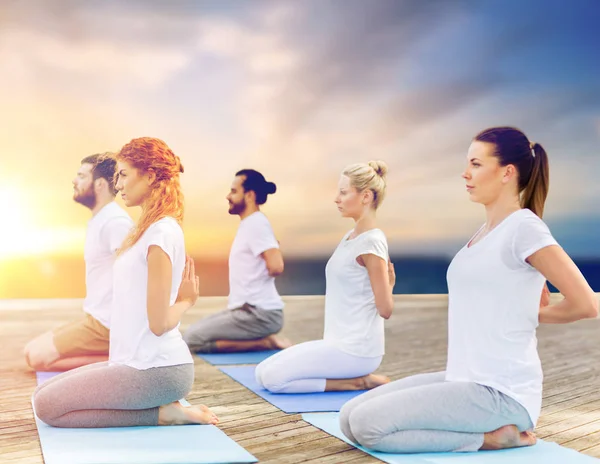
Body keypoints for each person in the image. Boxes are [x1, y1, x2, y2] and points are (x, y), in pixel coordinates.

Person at [339, 127, 599, 453]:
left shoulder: (525, 227)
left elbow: (586, 304)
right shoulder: (484, 231)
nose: (466, 173)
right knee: (349, 416)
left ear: (507, 172)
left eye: (476, 164)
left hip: (502, 392)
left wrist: (530, 314)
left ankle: (491, 439)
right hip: (463, 377)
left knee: (368, 426)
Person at [33, 137, 218, 427]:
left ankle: (163, 414)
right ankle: (160, 408)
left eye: (123, 174)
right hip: (130, 362)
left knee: (46, 407)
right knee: (42, 392)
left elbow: (158, 324)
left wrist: (185, 301)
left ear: (150, 175)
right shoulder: (143, 231)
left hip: (157, 370)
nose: (117, 185)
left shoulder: (161, 233)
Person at [254, 161, 394, 393]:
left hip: (356, 351)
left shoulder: (372, 242)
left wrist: (389, 285)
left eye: (343, 192)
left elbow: (385, 310)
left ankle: (357, 382)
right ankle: (358, 379)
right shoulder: (351, 236)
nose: (336, 198)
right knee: (261, 372)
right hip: (335, 344)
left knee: (273, 380)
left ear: (366, 196)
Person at [24, 153, 132, 371]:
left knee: (36, 357)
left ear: (100, 184)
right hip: (95, 319)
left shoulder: (115, 222)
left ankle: (122, 360)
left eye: (82, 176)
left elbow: (136, 274)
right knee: (30, 351)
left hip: (109, 326)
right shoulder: (99, 219)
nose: (74, 181)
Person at [183, 169, 289, 353]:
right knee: (190, 333)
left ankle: (264, 342)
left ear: (249, 195)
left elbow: (276, 266)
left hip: (259, 314)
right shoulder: (250, 224)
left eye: (233, 191)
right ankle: (262, 338)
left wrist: (273, 251)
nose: (228, 196)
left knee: (192, 339)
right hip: (246, 311)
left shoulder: (256, 224)